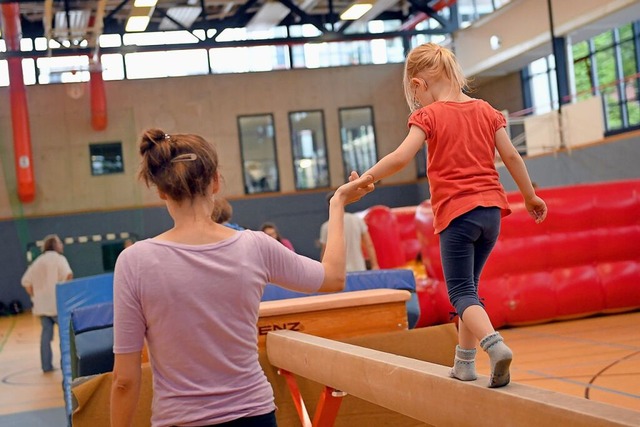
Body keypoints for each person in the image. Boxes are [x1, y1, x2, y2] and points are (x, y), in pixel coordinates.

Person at [110, 129, 374, 427]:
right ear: (215, 182)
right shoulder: (254, 246)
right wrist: (337, 203)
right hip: (253, 416)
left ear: (161, 190)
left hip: (182, 420)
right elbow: (333, 278)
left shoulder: (134, 261)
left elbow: (125, 380)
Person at [355, 42, 547, 388]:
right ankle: (464, 364)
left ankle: (495, 345)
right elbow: (513, 158)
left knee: (458, 291)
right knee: (469, 290)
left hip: (457, 214)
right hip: (491, 214)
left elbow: (400, 158)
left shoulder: (428, 115)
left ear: (419, 84)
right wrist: (530, 196)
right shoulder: (486, 110)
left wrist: (367, 178)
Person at [21, 234, 73, 373]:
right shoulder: (60, 259)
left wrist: (36, 295)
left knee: (45, 336)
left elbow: (26, 282)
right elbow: (68, 275)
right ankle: (66, 365)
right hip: (57, 305)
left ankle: (46, 366)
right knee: (65, 336)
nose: (62, 245)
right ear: (55, 245)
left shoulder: (37, 261)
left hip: (41, 306)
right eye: (60, 243)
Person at [318, 191, 379, 272]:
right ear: (344, 203)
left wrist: (325, 271)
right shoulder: (357, 220)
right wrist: (374, 265)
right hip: (359, 268)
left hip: (339, 272)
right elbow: (369, 244)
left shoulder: (326, 227)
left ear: (329, 206)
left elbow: (325, 252)